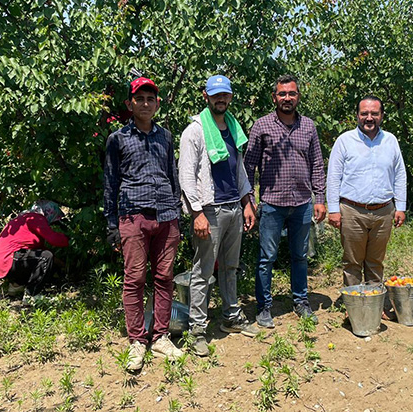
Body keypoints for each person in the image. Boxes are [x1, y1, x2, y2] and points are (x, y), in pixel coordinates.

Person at [103, 76, 184, 371]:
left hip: (166, 216)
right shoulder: (118, 139)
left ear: (157, 104)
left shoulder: (165, 136)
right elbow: (110, 182)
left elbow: (172, 175)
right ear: (130, 104)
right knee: (134, 279)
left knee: (164, 277)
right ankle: (137, 340)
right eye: (140, 99)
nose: (146, 103)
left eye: (151, 99)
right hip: (132, 216)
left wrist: (177, 211)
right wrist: (112, 224)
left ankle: (160, 335)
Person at [179, 75, 259, 356]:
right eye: (215, 95)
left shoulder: (234, 128)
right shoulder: (196, 131)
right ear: (206, 96)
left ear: (230, 97)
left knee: (230, 267)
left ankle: (231, 316)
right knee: (203, 271)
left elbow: (240, 171)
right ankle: (197, 329)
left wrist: (248, 200)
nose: (220, 99)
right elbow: (186, 176)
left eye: (224, 95)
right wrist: (196, 213)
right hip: (210, 211)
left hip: (234, 207)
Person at [244, 74, 327, 328]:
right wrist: (248, 201)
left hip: (302, 202)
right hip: (271, 204)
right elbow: (248, 167)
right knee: (266, 257)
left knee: (300, 255)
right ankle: (264, 306)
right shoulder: (262, 126)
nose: (287, 98)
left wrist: (319, 198)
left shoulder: (309, 126)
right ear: (274, 97)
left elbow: (316, 164)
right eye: (282, 94)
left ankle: (301, 301)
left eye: (292, 93)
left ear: (298, 96)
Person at [326, 96, 407, 286]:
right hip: (352, 211)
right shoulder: (345, 141)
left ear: (382, 116)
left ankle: (373, 303)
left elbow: (400, 175)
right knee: (352, 262)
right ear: (357, 115)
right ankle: (354, 306)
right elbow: (333, 177)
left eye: (374, 114)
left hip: (383, 211)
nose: (369, 118)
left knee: (375, 262)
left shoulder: (391, 140)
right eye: (364, 113)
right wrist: (333, 210)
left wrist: (400, 207)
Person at [0, 200, 68, 305]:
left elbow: (37, 250)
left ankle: (16, 285)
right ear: (49, 213)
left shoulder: (23, 219)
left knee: (42, 256)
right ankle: (32, 295)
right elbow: (53, 239)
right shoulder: (36, 218)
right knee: (45, 257)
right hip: (10, 259)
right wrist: (71, 239)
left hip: (3, 263)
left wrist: (60, 263)